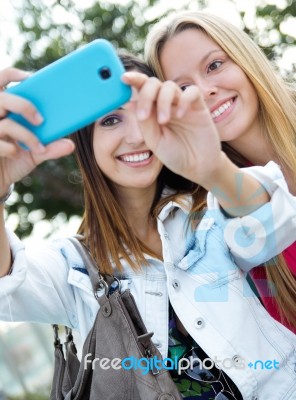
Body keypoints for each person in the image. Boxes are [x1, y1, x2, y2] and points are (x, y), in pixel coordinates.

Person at [0, 52, 296, 400]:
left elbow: (274, 224)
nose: (137, 136)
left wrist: (211, 167)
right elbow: (8, 285)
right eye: (111, 120)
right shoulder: (73, 266)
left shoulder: (207, 212)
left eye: (146, 113)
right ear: (85, 142)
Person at [144, 10, 296, 333]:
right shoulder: (214, 215)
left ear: (245, 58)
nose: (203, 91)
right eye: (183, 88)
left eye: (214, 65)